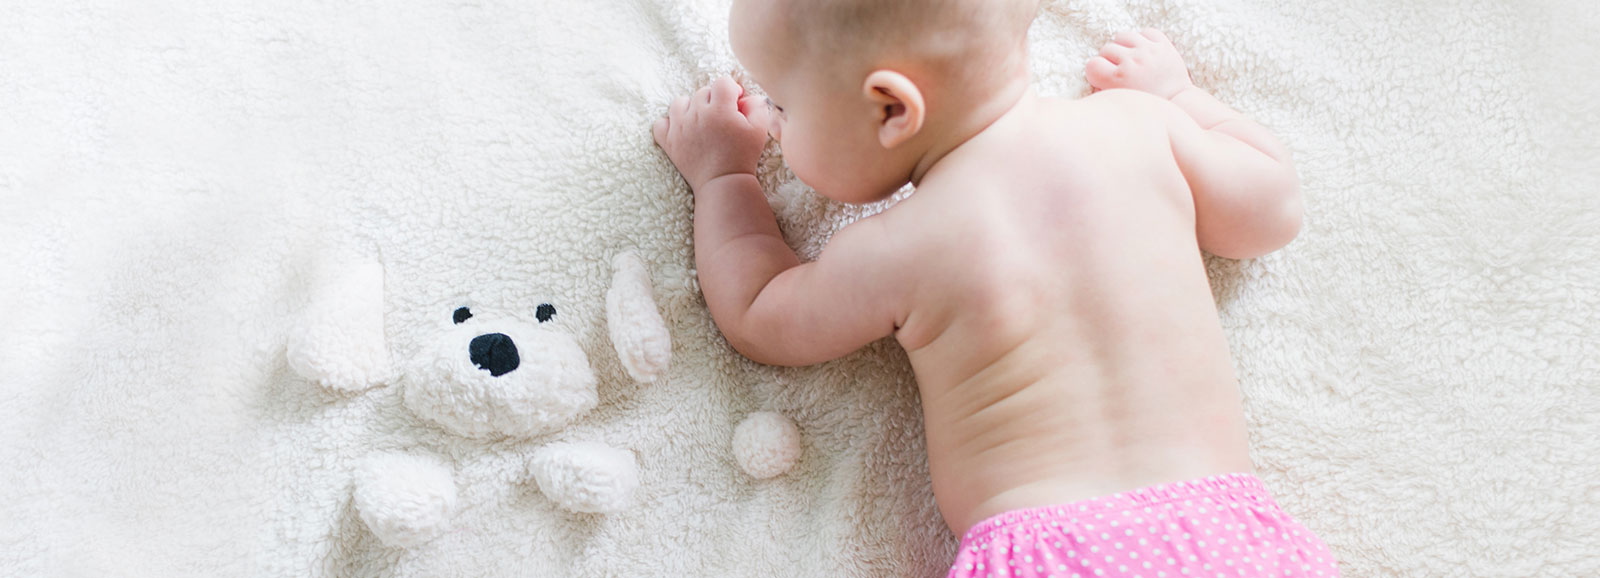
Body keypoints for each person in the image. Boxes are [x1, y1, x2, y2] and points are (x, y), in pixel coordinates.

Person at [651, 1, 1337, 575]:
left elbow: (759, 314)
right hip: (1223, 540)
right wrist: (1179, 98)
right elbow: (1271, 209)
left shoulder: (898, 247)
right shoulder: (1139, 127)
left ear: (892, 108)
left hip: (1050, 553)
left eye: (782, 105)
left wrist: (724, 178)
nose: (773, 124)